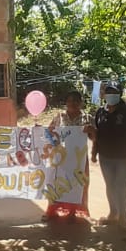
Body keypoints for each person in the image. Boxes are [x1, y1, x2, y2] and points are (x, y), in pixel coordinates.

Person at [90, 81, 126, 231]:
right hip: (106, 157)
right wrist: (94, 152)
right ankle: (113, 214)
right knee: (110, 186)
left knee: (122, 186)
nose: (111, 95)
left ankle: (123, 218)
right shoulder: (101, 112)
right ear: (104, 94)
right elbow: (97, 135)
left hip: (125, 157)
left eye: (114, 92)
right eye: (109, 92)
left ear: (120, 94)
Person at [43, 91, 95, 223]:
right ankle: (52, 210)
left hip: (78, 159)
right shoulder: (59, 117)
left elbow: (94, 137)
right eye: (70, 100)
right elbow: (48, 132)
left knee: (77, 183)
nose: (73, 103)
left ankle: (73, 211)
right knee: (57, 182)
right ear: (66, 102)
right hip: (61, 157)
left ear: (81, 103)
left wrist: (91, 131)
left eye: (76, 101)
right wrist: (47, 131)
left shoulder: (87, 118)